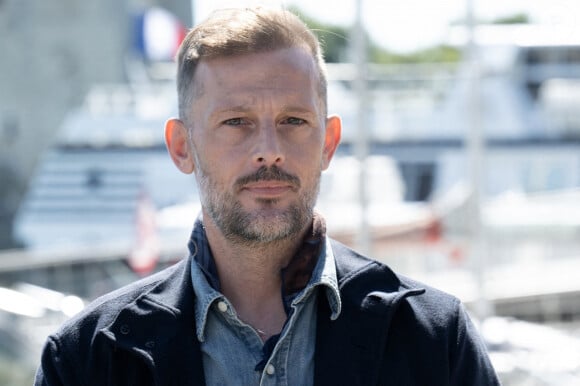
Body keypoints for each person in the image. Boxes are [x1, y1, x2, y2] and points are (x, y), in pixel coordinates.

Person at [35, 6, 500, 386]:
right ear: (182, 147)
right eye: (236, 122)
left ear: (328, 142)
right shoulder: (87, 360)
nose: (269, 152)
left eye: (293, 121)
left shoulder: (434, 339)